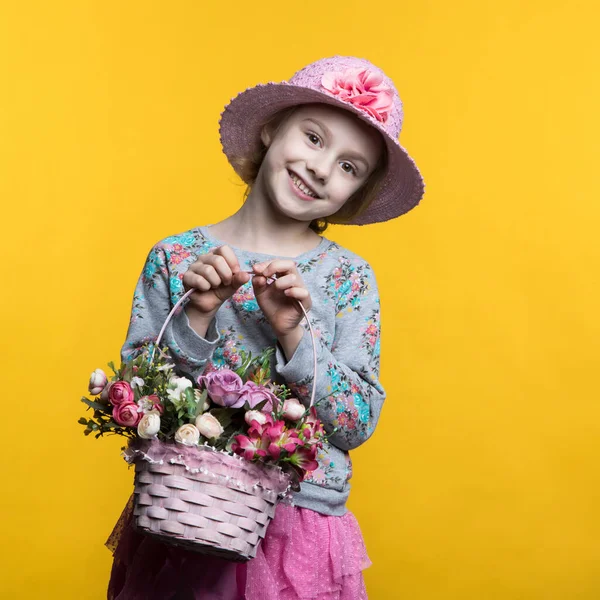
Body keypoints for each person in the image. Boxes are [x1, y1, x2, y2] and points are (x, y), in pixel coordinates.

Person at [106, 55, 425, 600]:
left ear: (358, 192)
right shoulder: (177, 256)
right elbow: (131, 402)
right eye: (314, 137)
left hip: (301, 529)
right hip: (187, 518)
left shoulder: (348, 278)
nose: (322, 168)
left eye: (350, 167)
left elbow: (356, 423)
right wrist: (197, 314)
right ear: (273, 127)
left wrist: (294, 334)